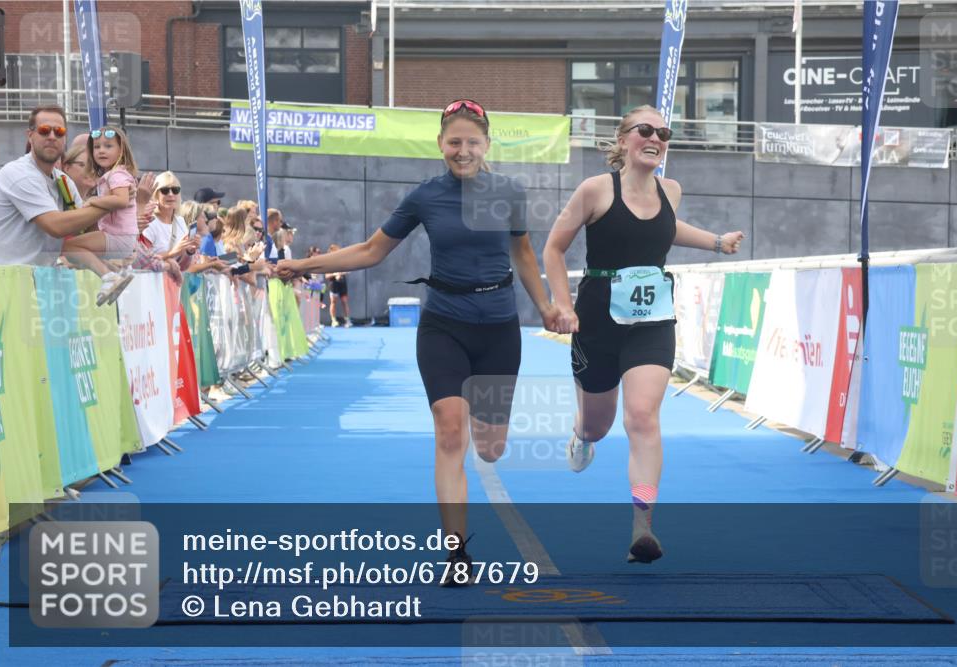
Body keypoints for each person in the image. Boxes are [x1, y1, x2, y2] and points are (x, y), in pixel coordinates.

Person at [278, 99, 557, 584]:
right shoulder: (425, 197)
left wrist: (550, 306)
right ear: (440, 146)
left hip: (497, 328)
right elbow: (370, 250)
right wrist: (303, 266)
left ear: (487, 144)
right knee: (450, 430)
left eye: (472, 142)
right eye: (454, 142)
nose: (463, 150)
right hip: (444, 324)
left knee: (490, 448)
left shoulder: (509, 193)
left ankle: (484, 455)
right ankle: (457, 556)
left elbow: (525, 255)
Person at [542, 105, 744, 563]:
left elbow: (666, 229)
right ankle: (581, 435)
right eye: (646, 130)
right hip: (596, 320)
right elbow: (553, 248)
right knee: (600, 423)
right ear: (624, 140)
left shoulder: (670, 190)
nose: (656, 138)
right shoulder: (595, 189)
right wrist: (563, 306)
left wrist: (715, 241)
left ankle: (642, 524)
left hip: (652, 321)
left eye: (664, 132)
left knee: (642, 416)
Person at [0, 105, 107, 265]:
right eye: (44, 130)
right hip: (5, 281)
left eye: (59, 132)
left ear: (65, 139)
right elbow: (55, 226)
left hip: (40, 279)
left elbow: (84, 228)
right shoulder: (18, 173)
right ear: (30, 136)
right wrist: (110, 204)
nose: (52, 136)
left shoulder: (63, 181)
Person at [60, 126, 140, 306]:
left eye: (108, 146)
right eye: (97, 147)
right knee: (77, 249)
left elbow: (121, 200)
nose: (101, 151)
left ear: (121, 150)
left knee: (68, 246)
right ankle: (115, 274)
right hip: (121, 238)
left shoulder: (116, 174)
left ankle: (108, 276)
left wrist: (93, 201)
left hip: (118, 236)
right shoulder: (112, 175)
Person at [145, 171, 200, 268]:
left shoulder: (180, 221)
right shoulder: (149, 222)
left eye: (175, 190)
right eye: (165, 190)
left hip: (174, 281)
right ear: (156, 194)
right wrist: (173, 252)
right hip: (154, 281)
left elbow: (183, 267)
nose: (170, 194)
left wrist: (189, 251)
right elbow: (143, 262)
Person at [325, 243, 351, 327]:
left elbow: (348, 270)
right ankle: (333, 320)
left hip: (342, 283)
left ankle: (347, 320)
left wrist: (340, 273)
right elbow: (327, 276)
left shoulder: (342, 261)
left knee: (345, 301)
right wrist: (335, 274)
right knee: (333, 302)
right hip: (333, 284)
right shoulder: (328, 263)